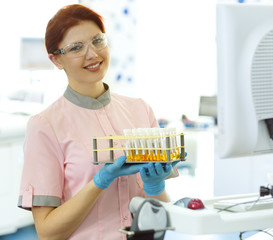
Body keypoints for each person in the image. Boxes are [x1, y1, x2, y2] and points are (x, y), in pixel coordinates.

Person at [18, 4, 178, 240]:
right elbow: (47, 233)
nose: (92, 54)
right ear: (56, 60)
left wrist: (156, 187)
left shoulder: (140, 110)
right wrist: (99, 182)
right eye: (76, 47)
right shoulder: (45, 126)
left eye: (97, 40)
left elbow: (165, 218)